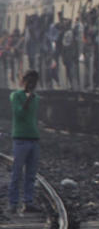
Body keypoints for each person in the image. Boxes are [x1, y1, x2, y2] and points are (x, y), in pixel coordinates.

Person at [8, 70, 41, 215]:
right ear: (24, 81)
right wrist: (27, 98)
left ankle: (28, 202)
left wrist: (31, 97)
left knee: (31, 174)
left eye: (34, 82)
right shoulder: (16, 96)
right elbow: (20, 114)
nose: (32, 84)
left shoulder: (36, 98)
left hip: (33, 139)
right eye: (30, 81)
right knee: (17, 172)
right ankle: (13, 203)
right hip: (20, 139)